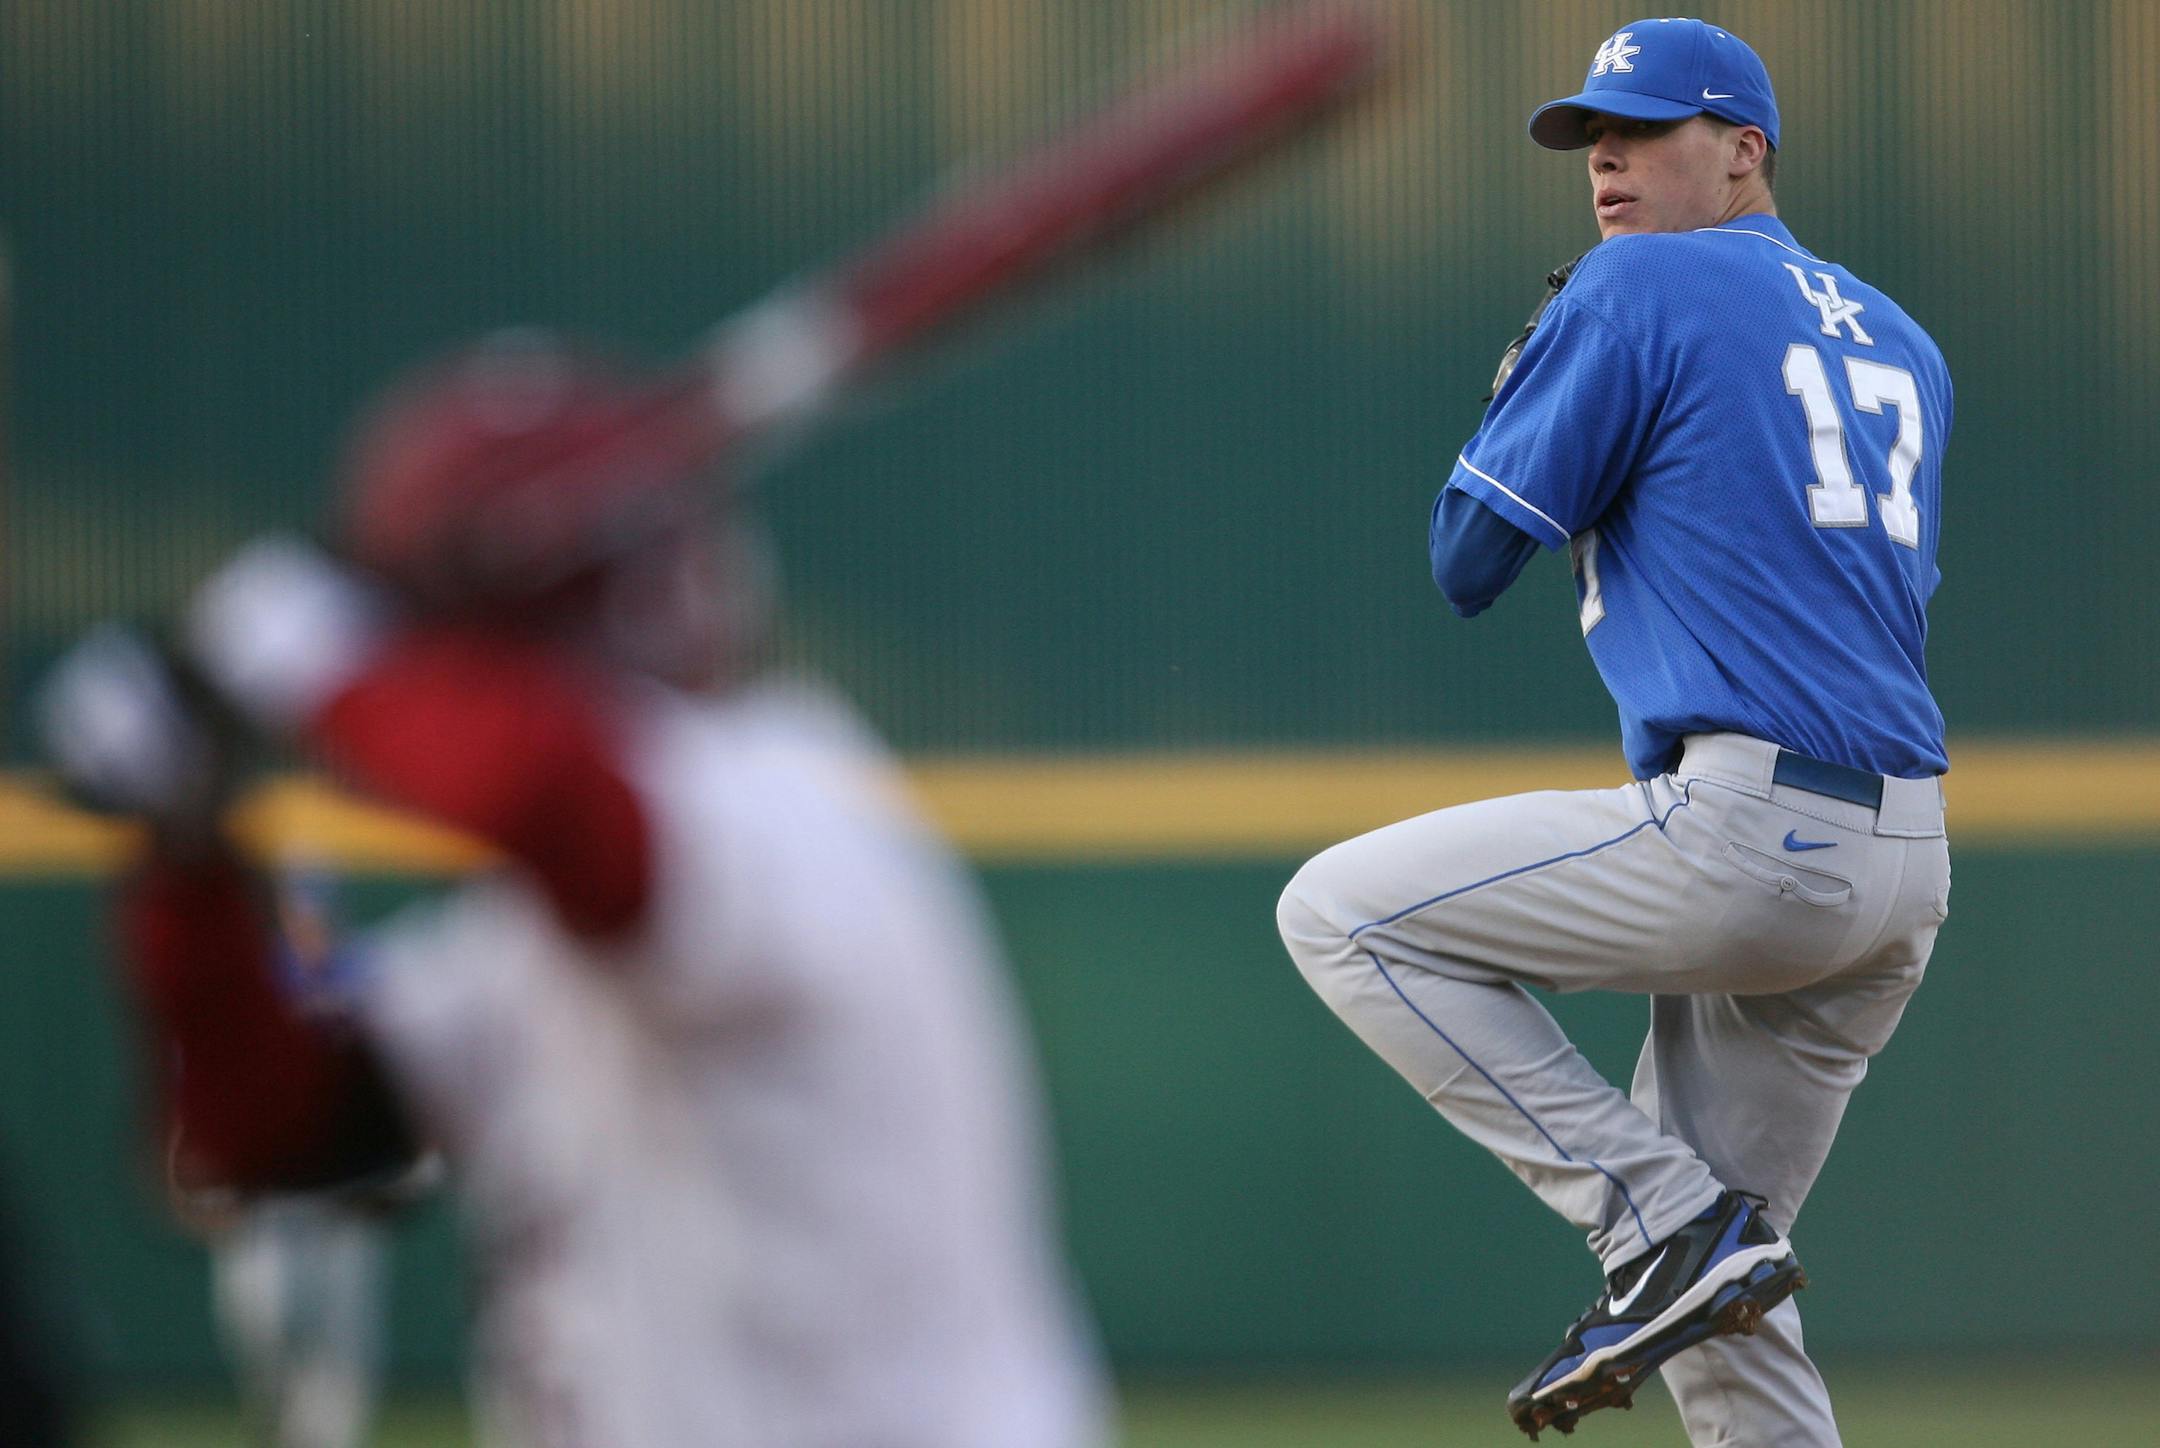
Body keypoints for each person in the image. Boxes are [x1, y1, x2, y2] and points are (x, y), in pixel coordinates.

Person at [39, 334, 1108, 1448]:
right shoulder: (530, 940)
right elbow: (267, 1131)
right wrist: (186, 859)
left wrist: (316, 661)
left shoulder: (779, 796)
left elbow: (547, 793)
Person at [1277, 19, 1950, 1446]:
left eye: (1642, 132)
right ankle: (1687, 1244)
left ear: (1745, 148)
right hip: (1904, 865)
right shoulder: (1904, 337)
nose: (1607, 165)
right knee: (1723, 1322)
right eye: (1594, 138)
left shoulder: (1639, 281)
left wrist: (1542, 371)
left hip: (1753, 835)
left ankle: (1657, 1217)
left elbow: (1469, 558)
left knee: (1340, 912)